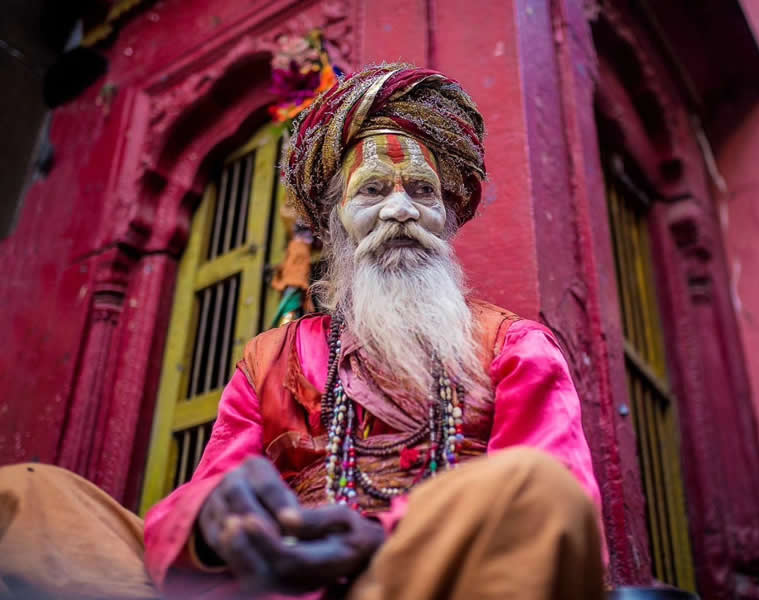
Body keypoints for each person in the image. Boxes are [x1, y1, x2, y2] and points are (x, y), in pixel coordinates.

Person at [0, 63, 607, 600]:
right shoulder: (273, 357)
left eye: (423, 191)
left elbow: (558, 507)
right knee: (30, 500)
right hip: (266, 586)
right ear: (336, 221)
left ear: (450, 213)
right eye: (371, 190)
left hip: (420, 578)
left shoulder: (515, 347)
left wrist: (375, 540)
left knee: (536, 491)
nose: (400, 210)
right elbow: (202, 494)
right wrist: (216, 523)